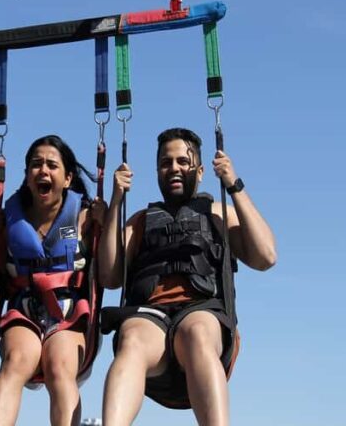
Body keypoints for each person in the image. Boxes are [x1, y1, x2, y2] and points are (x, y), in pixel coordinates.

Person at [98, 128, 277, 426]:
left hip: (200, 312)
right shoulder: (140, 220)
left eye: (184, 161)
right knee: (131, 338)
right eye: (166, 163)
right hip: (151, 318)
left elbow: (266, 256)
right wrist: (116, 201)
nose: (175, 168)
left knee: (196, 333)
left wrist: (234, 184)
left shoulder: (218, 213)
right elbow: (108, 276)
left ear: (201, 170)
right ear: (157, 171)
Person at [0, 135, 105, 426]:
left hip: (69, 313)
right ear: (27, 177)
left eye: (52, 165)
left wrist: (109, 218)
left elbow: (112, 271)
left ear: (67, 178)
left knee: (59, 367)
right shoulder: (8, 221)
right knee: (15, 362)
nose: (43, 171)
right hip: (23, 311)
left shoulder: (86, 218)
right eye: (36, 165)